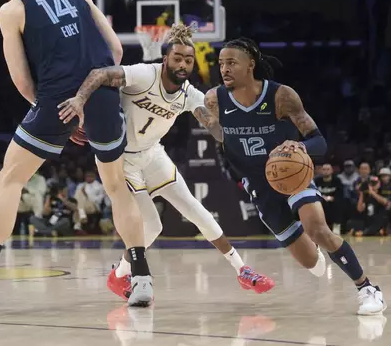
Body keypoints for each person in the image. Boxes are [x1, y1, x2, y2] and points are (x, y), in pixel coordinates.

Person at [0, 0, 153, 309]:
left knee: (10, 179)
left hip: (57, 99)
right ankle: (142, 278)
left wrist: (60, 113)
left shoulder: (11, 10)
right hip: (103, 94)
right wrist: (89, 103)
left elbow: (21, 79)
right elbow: (116, 50)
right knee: (117, 187)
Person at [57, 23, 274, 300]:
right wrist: (79, 102)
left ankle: (242, 270)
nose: (183, 64)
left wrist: (236, 128)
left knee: (197, 210)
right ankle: (123, 274)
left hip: (152, 154)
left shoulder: (189, 94)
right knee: (152, 225)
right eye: (177, 58)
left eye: (188, 59)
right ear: (165, 59)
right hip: (122, 160)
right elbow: (99, 74)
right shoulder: (144, 74)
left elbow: (213, 127)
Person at [201, 37, 385, 315]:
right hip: (260, 187)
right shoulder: (215, 100)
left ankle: (367, 288)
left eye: (231, 63)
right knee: (311, 262)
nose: (224, 69)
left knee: (318, 229)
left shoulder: (280, 96)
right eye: (221, 63)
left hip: (291, 173)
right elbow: (223, 140)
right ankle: (316, 249)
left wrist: (300, 146)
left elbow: (319, 142)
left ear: (250, 65)